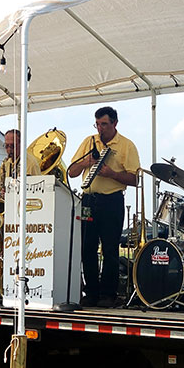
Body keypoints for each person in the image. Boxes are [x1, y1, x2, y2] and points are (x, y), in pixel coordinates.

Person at [68, 106, 140, 307]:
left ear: (115, 124)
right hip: (89, 199)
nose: (100, 129)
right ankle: (90, 291)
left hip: (112, 200)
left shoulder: (126, 145)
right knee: (87, 247)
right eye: (97, 124)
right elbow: (72, 172)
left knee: (110, 248)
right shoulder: (89, 142)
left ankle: (108, 294)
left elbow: (135, 178)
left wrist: (113, 174)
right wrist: (86, 163)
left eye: (104, 124)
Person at [0, 129, 41, 197]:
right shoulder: (6, 163)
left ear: (21, 145)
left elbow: (36, 192)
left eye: (12, 146)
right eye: (6, 146)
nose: (9, 150)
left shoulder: (30, 163)